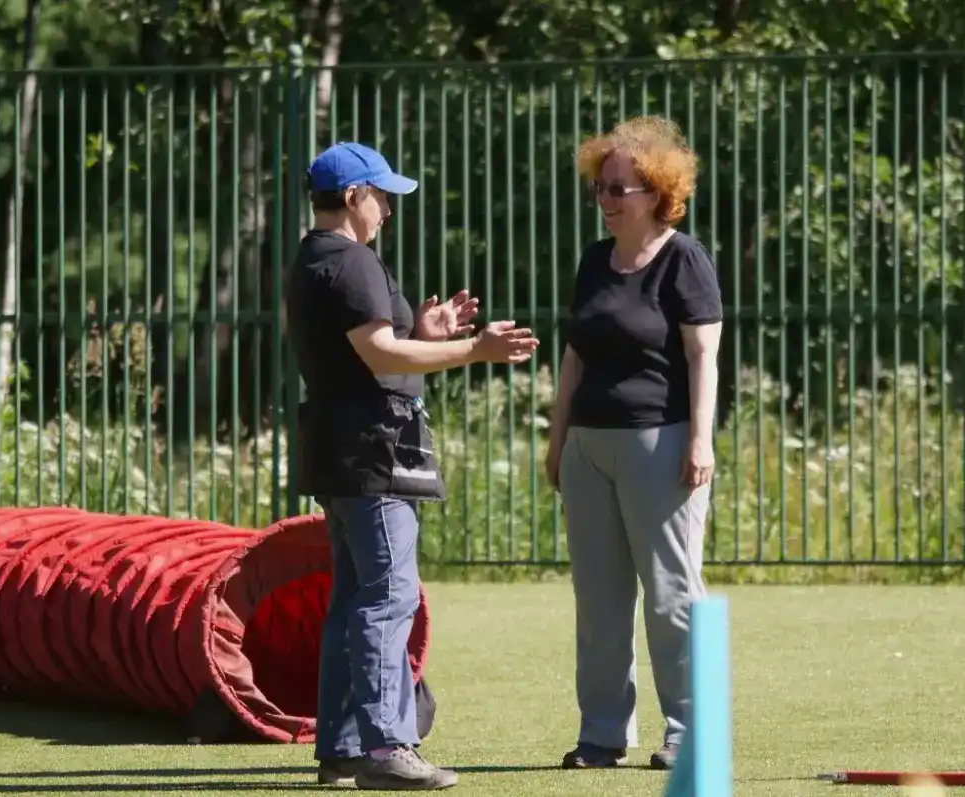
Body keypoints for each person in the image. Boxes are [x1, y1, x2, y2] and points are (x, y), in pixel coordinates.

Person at [284, 141, 540, 791]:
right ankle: (385, 746)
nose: (388, 211)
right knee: (387, 597)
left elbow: (369, 354)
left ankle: (343, 748)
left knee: (353, 599)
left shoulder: (311, 258)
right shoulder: (353, 261)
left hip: (338, 452)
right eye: (381, 197)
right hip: (373, 454)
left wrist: (423, 334)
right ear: (353, 197)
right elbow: (379, 354)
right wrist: (473, 349)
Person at [545, 116, 723, 771]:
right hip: (587, 449)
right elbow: (574, 357)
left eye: (620, 188)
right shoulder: (595, 261)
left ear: (657, 192)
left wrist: (700, 440)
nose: (607, 199)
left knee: (672, 596)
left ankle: (688, 731)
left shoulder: (684, 258)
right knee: (598, 602)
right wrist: (557, 439)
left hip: (661, 445)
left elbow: (702, 355)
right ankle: (601, 734)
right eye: (601, 187)